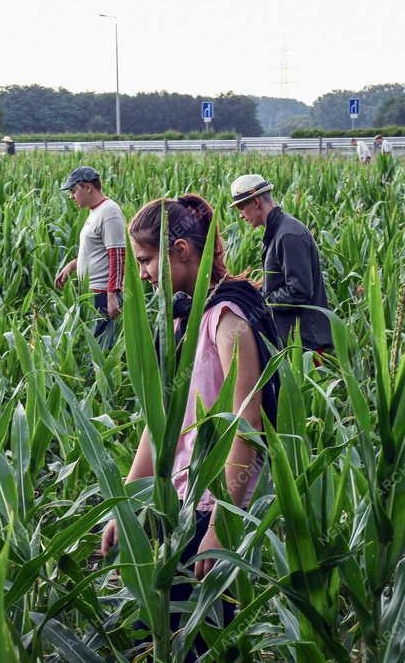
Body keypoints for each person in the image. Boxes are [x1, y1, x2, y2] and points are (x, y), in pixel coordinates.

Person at [102, 194, 282, 656]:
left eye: (146, 259)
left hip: (210, 506)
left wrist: (221, 524)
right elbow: (161, 423)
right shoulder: (187, 318)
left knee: (205, 640)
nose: (141, 273)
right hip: (178, 504)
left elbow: (248, 423)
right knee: (160, 633)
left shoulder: (227, 317)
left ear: (181, 250)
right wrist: (127, 502)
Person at [230, 174, 333, 352]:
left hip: (308, 346)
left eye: (241, 207)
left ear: (256, 203)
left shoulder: (288, 235)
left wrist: (261, 301)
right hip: (295, 341)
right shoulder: (277, 233)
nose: (241, 215)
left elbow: (299, 290)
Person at [54, 166, 125, 347]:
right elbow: (96, 251)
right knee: (92, 345)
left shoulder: (109, 212)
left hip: (102, 294)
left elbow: (117, 255)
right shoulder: (96, 211)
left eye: (73, 190)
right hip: (91, 293)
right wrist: (71, 266)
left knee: (101, 347)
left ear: (88, 187)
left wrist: (112, 296)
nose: (71, 196)